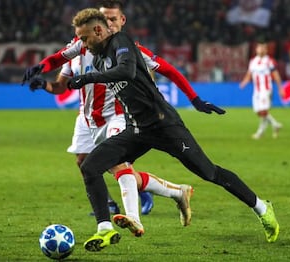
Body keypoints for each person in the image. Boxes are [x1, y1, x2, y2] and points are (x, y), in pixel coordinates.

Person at [57, 8, 278, 251]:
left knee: (209, 172)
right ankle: (105, 229)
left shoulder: (122, 42)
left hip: (165, 125)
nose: (83, 44)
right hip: (137, 129)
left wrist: (88, 78)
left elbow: (128, 71)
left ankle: (262, 207)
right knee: (90, 166)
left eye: (85, 38)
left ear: (98, 31)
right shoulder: (98, 58)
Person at [22, 0, 196, 237]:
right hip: (87, 118)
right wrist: (42, 78)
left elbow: (166, 70)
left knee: (117, 165)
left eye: (113, 19)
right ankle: (176, 192)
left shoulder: (127, 49)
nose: (108, 24)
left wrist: (194, 98)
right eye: (105, 19)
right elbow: (60, 83)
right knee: (85, 163)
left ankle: (131, 218)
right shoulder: (79, 46)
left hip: (117, 115)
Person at [240, 41, 284, 139]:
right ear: (256, 49)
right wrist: (244, 82)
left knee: (263, 111)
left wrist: (280, 89)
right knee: (258, 112)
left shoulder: (270, 61)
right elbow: (249, 74)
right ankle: (275, 124)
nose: (261, 49)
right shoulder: (253, 61)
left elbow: (276, 75)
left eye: (263, 48)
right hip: (257, 91)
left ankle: (260, 133)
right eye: (259, 48)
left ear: (266, 50)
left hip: (266, 89)